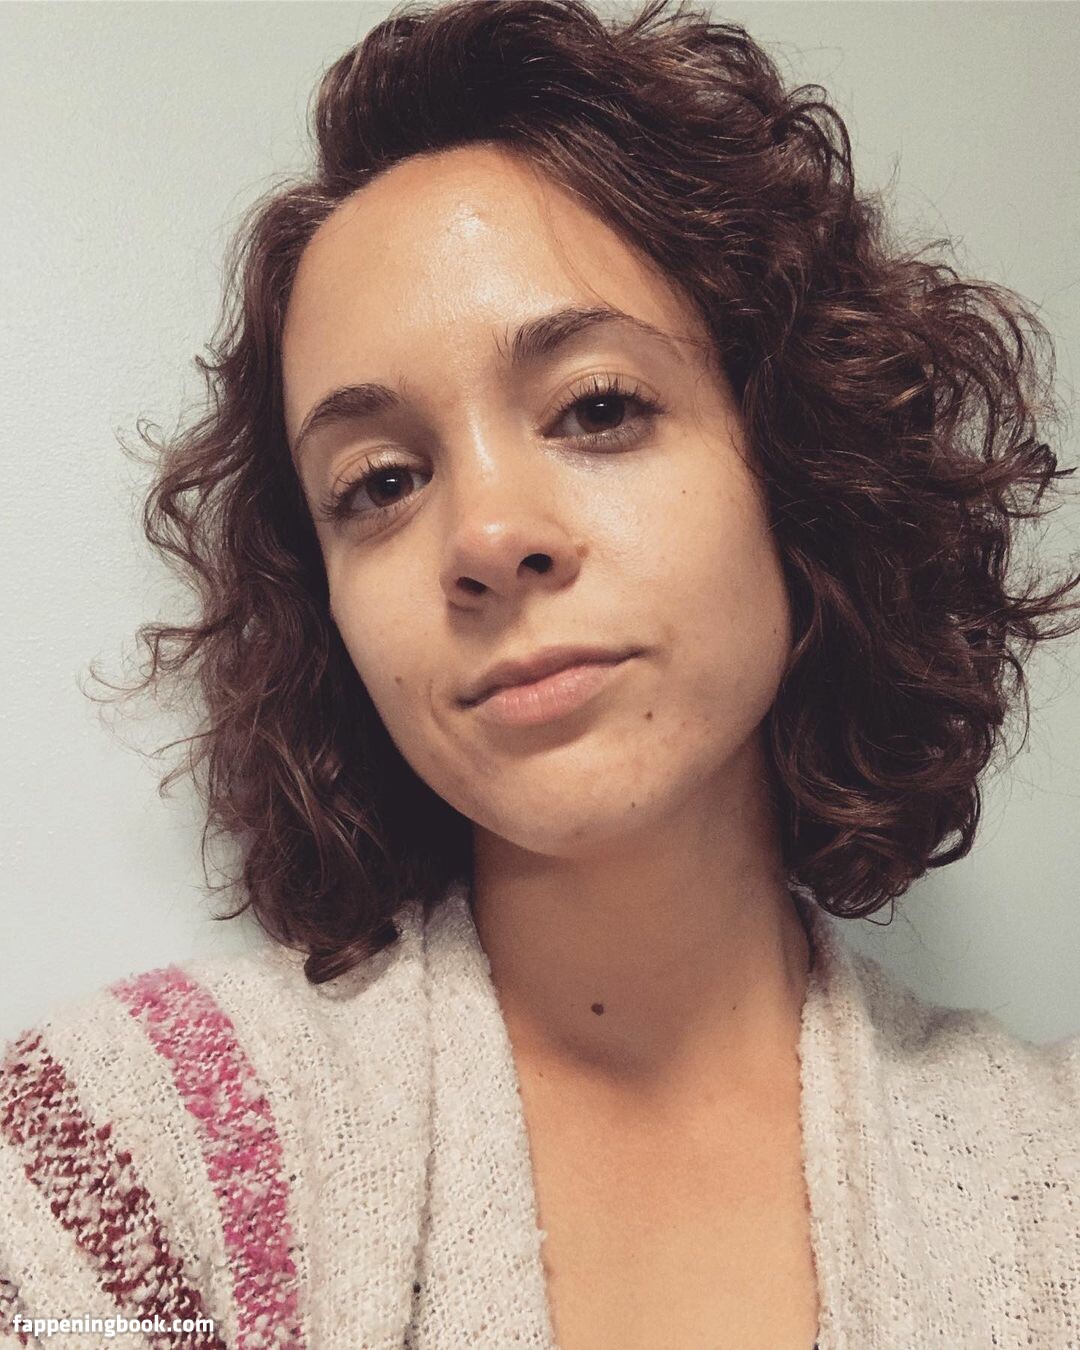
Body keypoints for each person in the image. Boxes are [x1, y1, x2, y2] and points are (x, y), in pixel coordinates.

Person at [2, 0, 1078, 1346]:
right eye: (381, 482)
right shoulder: (128, 1151)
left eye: (598, 408)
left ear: (799, 464)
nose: (488, 537)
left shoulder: (1053, 1180)